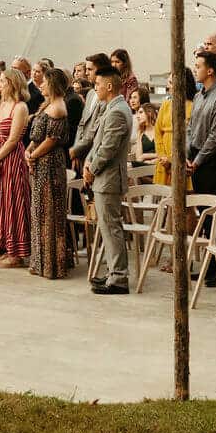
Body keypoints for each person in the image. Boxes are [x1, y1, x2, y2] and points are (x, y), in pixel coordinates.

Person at [82, 63, 135, 296]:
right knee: (108, 226)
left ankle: (119, 277)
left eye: (98, 84)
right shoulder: (113, 107)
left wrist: (92, 168)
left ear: (110, 86)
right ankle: (114, 272)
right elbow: (99, 143)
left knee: (111, 227)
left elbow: (108, 148)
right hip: (104, 177)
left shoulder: (117, 111)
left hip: (109, 178)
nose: (96, 88)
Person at [26, 66, 74, 279]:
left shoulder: (58, 107)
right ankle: (40, 260)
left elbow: (52, 139)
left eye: (44, 81)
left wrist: (34, 154)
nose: (41, 84)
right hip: (39, 161)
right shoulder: (47, 105)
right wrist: (29, 150)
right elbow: (37, 136)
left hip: (50, 165)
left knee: (48, 211)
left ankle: (51, 263)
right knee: (39, 211)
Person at [0, 69, 31, 268]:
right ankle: (2, 246)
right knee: (0, 201)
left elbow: (14, 138)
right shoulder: (3, 104)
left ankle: (16, 252)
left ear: (12, 83)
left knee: (13, 202)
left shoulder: (20, 107)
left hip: (11, 158)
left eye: (3, 81)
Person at [187, 50, 216, 200]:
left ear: (210, 71)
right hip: (195, 157)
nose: (195, 69)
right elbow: (190, 127)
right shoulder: (198, 96)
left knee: (212, 211)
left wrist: (197, 161)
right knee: (201, 207)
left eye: (198, 66)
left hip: (213, 162)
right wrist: (188, 155)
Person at [155, 69, 196, 186]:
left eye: (171, 83)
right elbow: (157, 132)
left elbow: (191, 136)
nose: (168, 86)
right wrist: (163, 156)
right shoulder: (165, 105)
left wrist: (173, 159)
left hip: (183, 157)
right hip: (164, 160)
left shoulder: (193, 106)